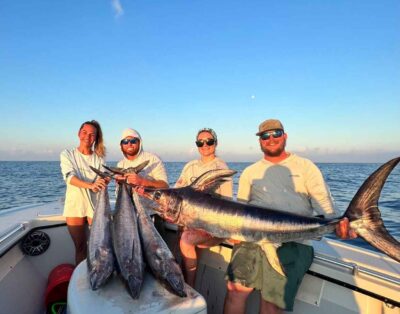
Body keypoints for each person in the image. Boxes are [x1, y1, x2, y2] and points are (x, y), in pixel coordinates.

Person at [223, 119, 356, 314]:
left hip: (294, 241)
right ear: (260, 141)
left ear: (284, 136)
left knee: (271, 303)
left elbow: (327, 208)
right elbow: (241, 212)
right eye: (265, 136)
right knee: (235, 291)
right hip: (252, 239)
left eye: (276, 134)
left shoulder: (305, 167)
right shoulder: (250, 172)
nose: (271, 139)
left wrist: (344, 225)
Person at [175, 127, 233, 288]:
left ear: (216, 143)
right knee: (180, 242)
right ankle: (181, 283)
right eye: (200, 142)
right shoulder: (190, 166)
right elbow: (177, 193)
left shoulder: (221, 168)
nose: (205, 144)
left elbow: (227, 203)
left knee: (186, 240)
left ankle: (190, 288)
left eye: (209, 141)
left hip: (214, 225)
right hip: (191, 222)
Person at [60, 120, 109, 265]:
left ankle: (100, 274)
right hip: (75, 206)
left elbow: (103, 178)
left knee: (100, 247)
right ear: (78, 133)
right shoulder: (67, 154)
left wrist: (104, 181)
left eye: (92, 134)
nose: (87, 136)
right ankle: (81, 279)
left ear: (96, 138)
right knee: (80, 247)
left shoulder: (99, 158)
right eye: (84, 132)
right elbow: (69, 177)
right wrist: (91, 185)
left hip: (95, 206)